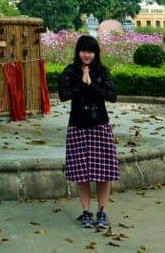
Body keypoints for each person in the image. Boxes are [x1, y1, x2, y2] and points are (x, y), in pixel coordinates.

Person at [58, 35, 119, 230]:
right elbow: (63, 95)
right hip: (77, 126)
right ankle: (86, 212)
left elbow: (112, 96)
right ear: (78, 52)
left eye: (91, 51)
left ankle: (102, 212)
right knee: (81, 172)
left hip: (100, 126)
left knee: (104, 172)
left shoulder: (102, 71)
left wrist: (91, 83)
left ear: (96, 53)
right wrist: (81, 82)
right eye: (84, 50)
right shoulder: (70, 71)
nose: (87, 55)